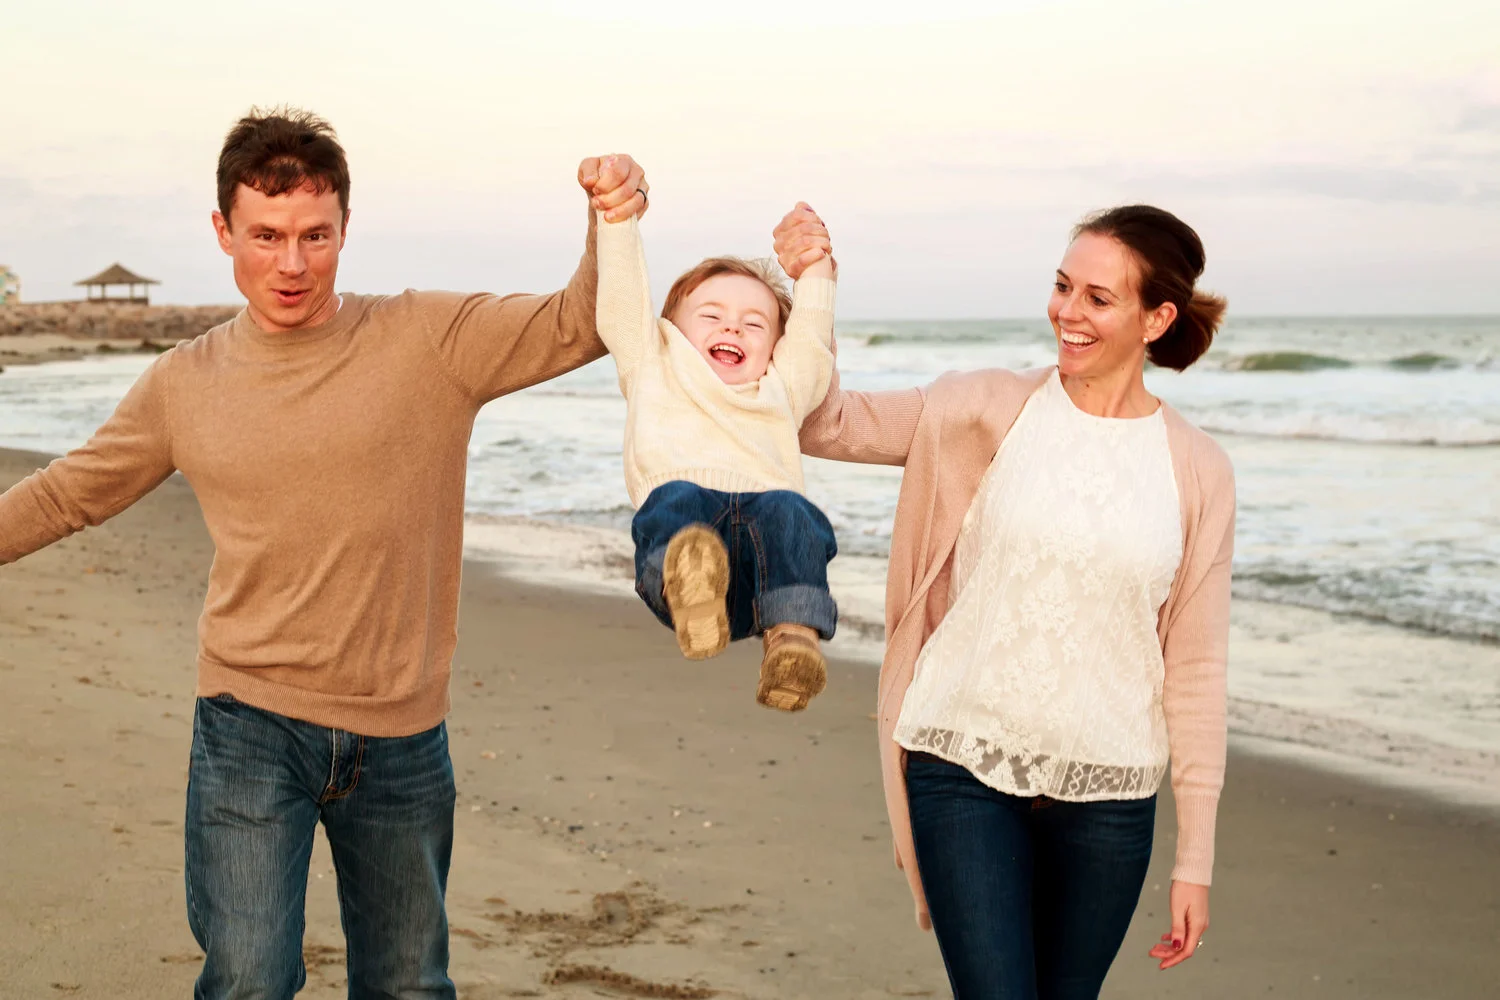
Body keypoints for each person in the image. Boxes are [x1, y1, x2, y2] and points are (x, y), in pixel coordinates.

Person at [0, 107, 648, 999]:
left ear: (346, 228)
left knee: (408, 984)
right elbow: (69, 492)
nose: (292, 264)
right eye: (266, 236)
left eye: (315, 235)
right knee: (248, 981)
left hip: (403, 733)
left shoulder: (428, 338)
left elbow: (579, 324)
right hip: (249, 721)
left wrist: (611, 221)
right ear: (224, 231)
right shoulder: (184, 383)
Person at [778, 203, 1235, 998]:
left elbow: (1195, 670)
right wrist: (813, 287)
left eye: (1099, 297)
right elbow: (824, 423)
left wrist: (1194, 861)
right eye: (1062, 286)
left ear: (1156, 319)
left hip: (1110, 795)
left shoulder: (1198, 468)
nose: (1067, 311)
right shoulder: (984, 406)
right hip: (962, 762)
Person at [594, 199, 839, 711]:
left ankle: (792, 642)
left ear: (775, 348)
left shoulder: (782, 387)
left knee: (793, 511)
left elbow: (812, 339)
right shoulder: (653, 365)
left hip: (766, 574)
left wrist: (815, 269)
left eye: (755, 324)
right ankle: (693, 599)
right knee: (677, 499)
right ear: (671, 329)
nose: (733, 329)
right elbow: (621, 301)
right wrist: (616, 218)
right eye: (712, 316)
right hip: (685, 558)